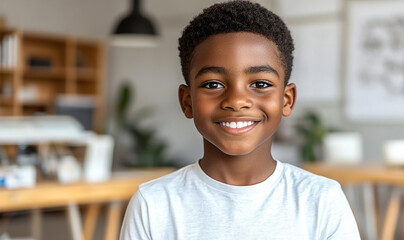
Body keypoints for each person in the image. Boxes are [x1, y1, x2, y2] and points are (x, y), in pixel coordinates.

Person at [120, 1, 360, 239]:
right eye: (213, 84)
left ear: (286, 100)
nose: (236, 100)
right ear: (187, 101)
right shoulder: (153, 205)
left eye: (260, 84)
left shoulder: (322, 200)